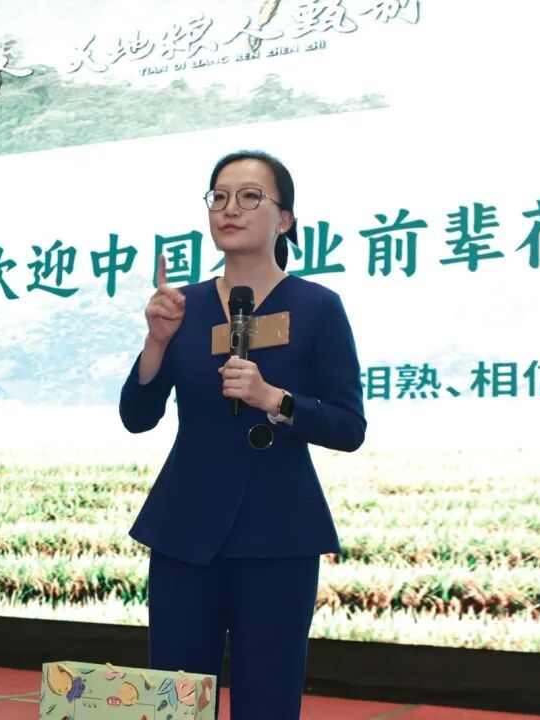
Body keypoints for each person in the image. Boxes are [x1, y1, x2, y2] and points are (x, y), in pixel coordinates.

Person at [119, 149, 366, 719]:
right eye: (220, 197)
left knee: (268, 700)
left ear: (285, 220)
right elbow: (137, 416)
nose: (231, 209)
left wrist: (274, 399)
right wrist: (156, 342)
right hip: (185, 528)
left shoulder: (318, 307)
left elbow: (349, 426)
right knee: (175, 702)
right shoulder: (183, 305)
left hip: (279, 531)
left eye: (251, 197)